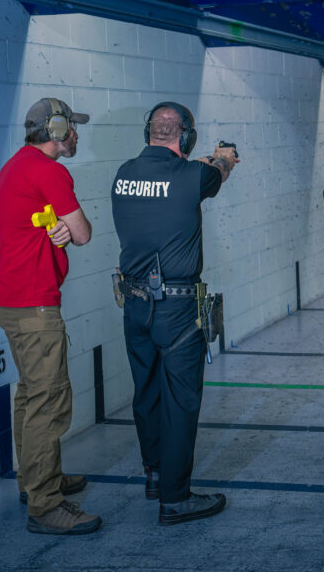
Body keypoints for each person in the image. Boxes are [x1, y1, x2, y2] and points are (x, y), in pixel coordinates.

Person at [111, 102, 239, 525]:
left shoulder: (124, 174)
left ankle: (154, 475)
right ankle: (176, 497)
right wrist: (224, 157)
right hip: (177, 309)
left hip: (133, 304)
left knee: (146, 392)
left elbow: (169, 180)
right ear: (185, 138)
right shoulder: (194, 176)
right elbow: (217, 171)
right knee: (181, 400)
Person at [0, 98, 99, 535]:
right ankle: (45, 504)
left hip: (9, 299)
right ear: (55, 129)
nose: (76, 134)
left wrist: (57, 232)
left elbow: (46, 226)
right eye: (71, 127)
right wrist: (68, 232)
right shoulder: (49, 170)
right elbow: (85, 233)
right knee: (48, 400)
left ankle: (34, 480)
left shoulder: (17, 165)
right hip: (33, 304)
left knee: (30, 394)